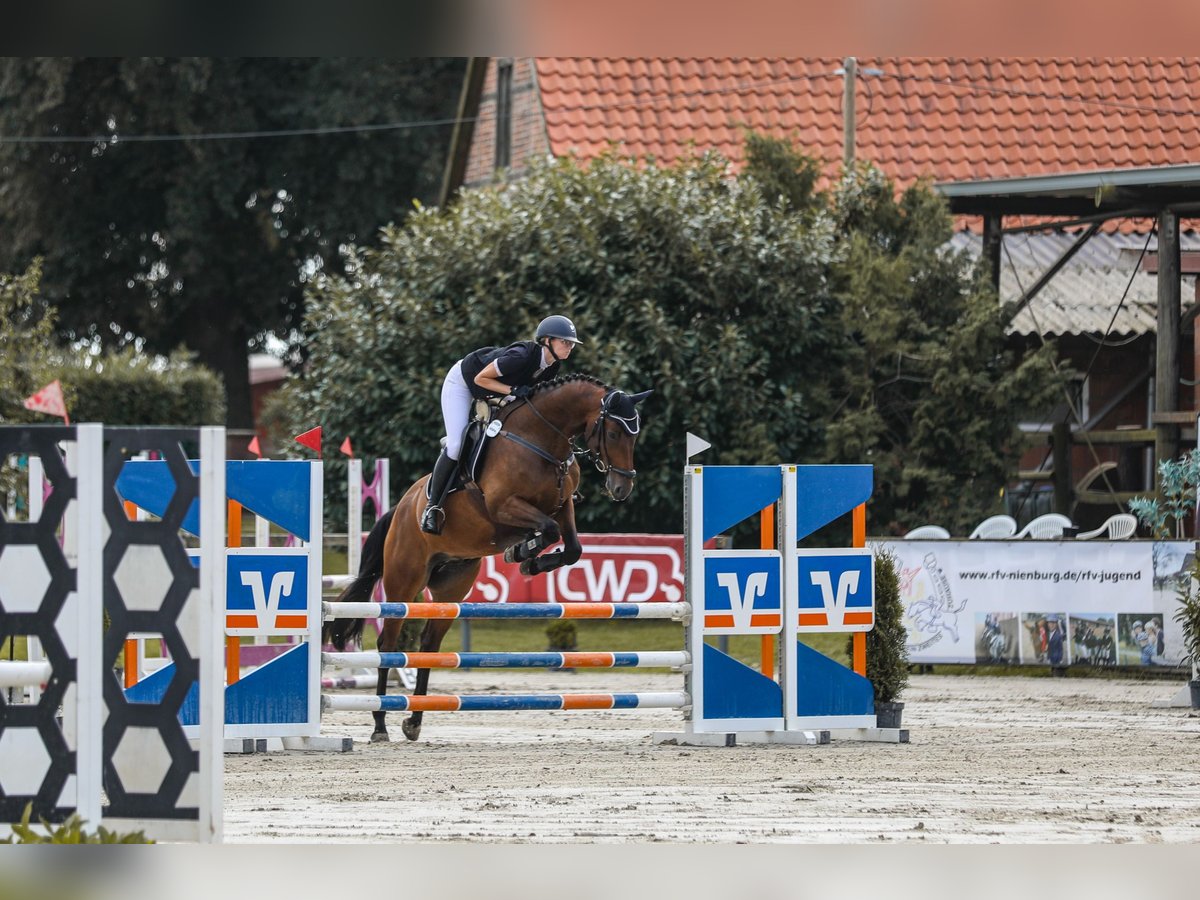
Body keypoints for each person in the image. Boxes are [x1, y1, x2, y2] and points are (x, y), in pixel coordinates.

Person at [419, 315, 583, 535]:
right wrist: (513, 391)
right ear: (547, 341)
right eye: (565, 341)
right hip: (465, 382)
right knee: (457, 445)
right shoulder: (521, 355)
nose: (570, 347)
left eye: (571, 343)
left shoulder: (552, 367)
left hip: (497, 390)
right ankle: (432, 507)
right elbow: (480, 379)